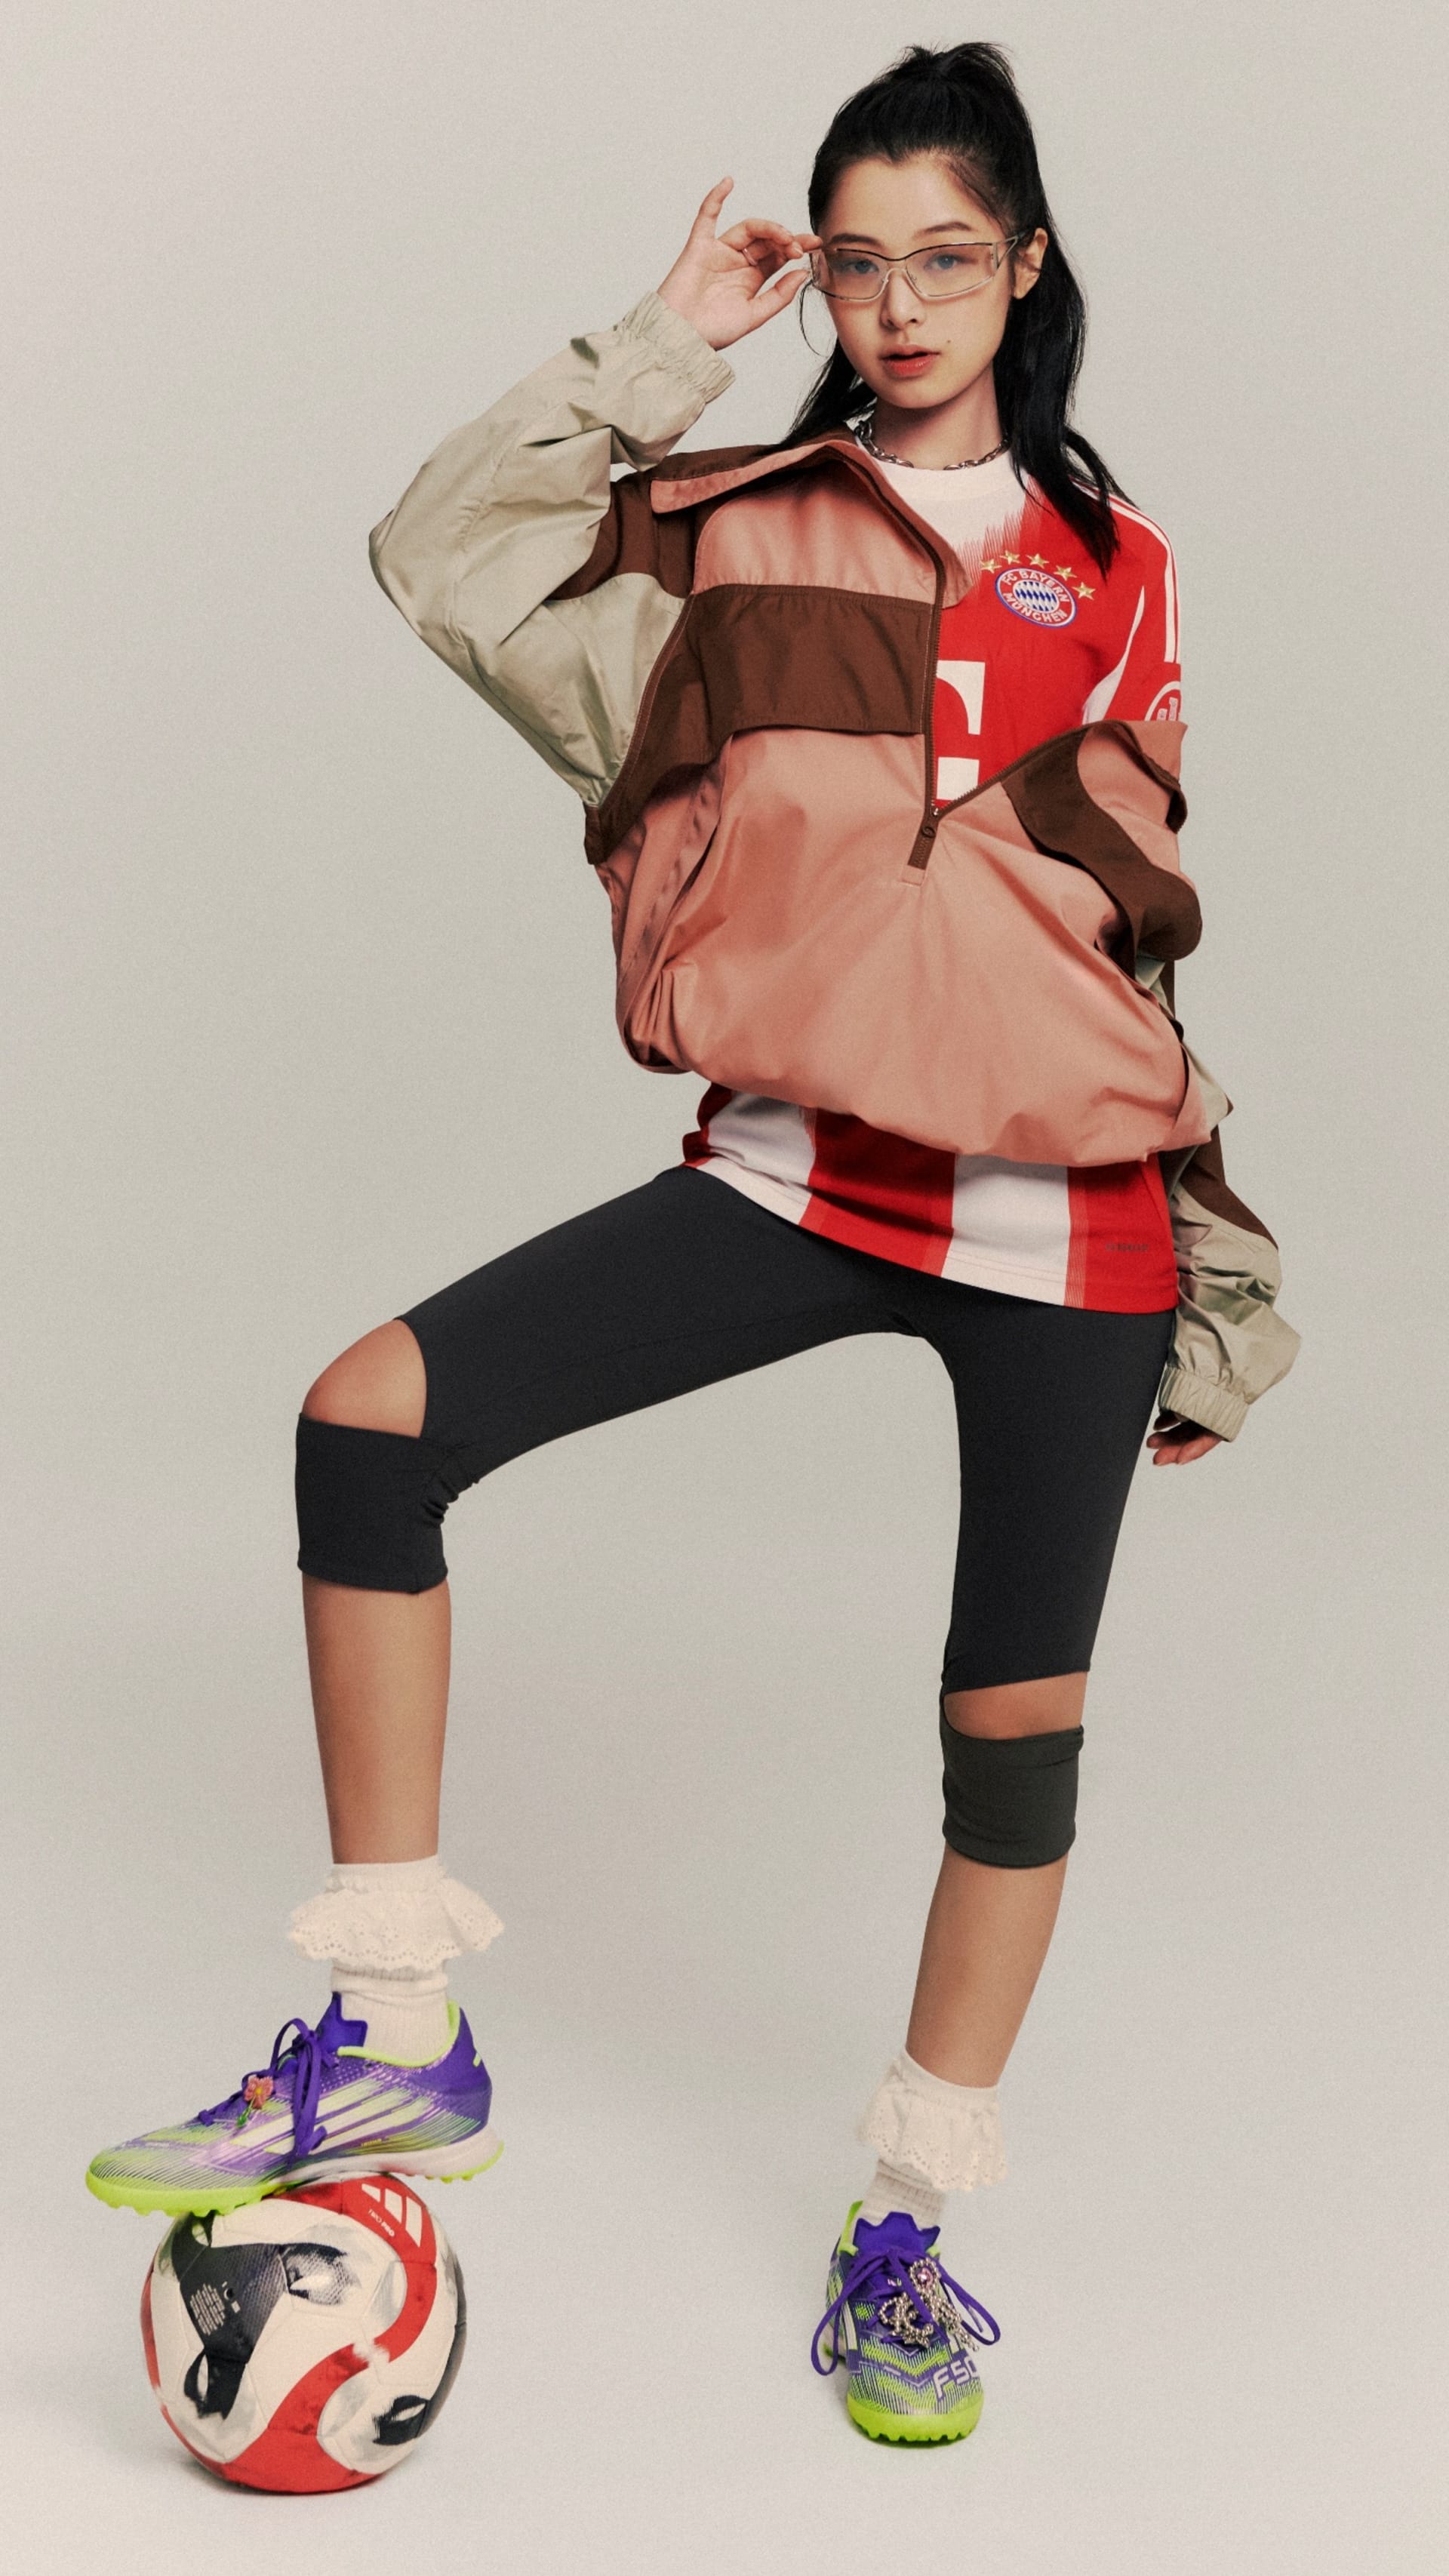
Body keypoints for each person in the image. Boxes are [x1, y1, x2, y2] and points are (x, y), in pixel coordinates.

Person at [88, 43, 1299, 2446]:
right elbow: (444, 555)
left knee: (1011, 1741)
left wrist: (1217, 1246)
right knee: (369, 1428)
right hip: (802, 1169)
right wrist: (665, 343)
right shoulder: (735, 522)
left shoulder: (1122, 571)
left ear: (1026, 264)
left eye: (943, 254)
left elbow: (1123, 930)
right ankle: (399, 2037)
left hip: (1067, 1225)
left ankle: (906, 2233)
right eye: (857, 262)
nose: (899, 300)